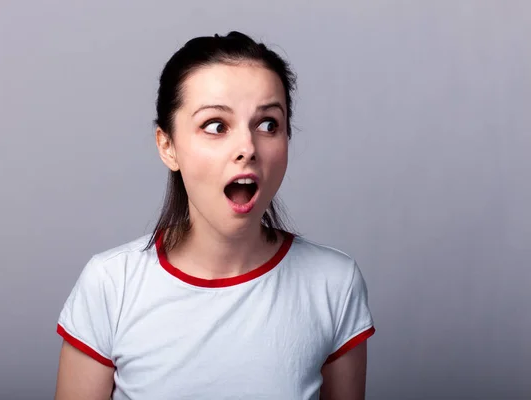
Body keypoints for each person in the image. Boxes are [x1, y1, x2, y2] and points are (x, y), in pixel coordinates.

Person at [54, 31, 375, 400]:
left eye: (268, 124)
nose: (247, 148)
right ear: (167, 145)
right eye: (216, 126)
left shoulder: (333, 283)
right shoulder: (111, 284)